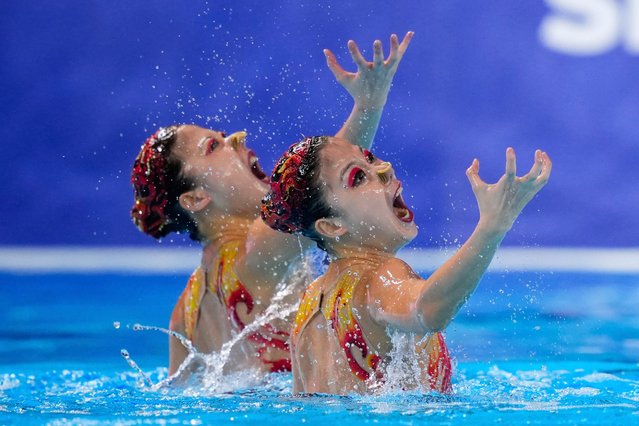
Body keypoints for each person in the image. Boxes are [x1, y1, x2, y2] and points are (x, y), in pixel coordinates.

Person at [130, 33, 414, 376]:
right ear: (195, 199)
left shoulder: (184, 313)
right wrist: (368, 106)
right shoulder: (252, 255)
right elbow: (323, 188)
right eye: (213, 147)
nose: (236, 138)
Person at [261, 136, 551, 394]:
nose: (383, 168)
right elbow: (427, 310)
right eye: (359, 177)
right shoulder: (379, 277)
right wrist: (491, 227)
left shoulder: (312, 299)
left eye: (370, 158)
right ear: (332, 226)